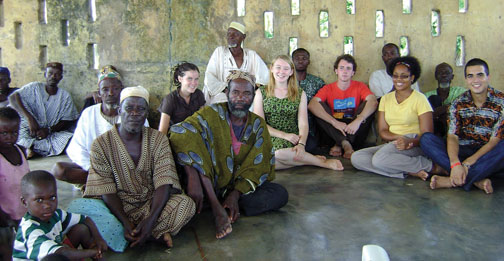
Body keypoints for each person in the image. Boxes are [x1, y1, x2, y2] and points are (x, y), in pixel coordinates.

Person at [72, 86, 195, 251]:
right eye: (129, 108)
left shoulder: (158, 139)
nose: (135, 113)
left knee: (185, 204)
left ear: (146, 113)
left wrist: (151, 220)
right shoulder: (101, 145)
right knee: (81, 210)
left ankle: (139, 234)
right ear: (119, 110)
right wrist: (125, 222)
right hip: (117, 208)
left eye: (141, 109)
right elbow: (106, 191)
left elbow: (164, 182)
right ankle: (150, 235)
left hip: (149, 204)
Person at [169, 70, 288, 239]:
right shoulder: (212, 114)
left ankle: (225, 204)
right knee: (181, 188)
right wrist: (192, 176)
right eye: (235, 92)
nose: (240, 98)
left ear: (253, 96)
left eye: (246, 93)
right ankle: (218, 206)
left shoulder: (257, 124)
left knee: (280, 194)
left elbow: (258, 166)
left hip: (234, 187)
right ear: (227, 93)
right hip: (207, 183)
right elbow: (179, 131)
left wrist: (235, 194)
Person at [52, 66, 147, 188]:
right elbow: (76, 149)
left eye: (115, 88)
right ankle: (103, 183)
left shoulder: (134, 112)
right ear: (99, 92)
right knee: (59, 170)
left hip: (123, 169)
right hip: (93, 166)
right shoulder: (89, 113)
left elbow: (143, 147)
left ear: (122, 90)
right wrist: (93, 168)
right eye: (105, 89)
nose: (111, 93)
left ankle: (99, 185)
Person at [420, 58, 504, 194]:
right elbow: (452, 136)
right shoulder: (458, 103)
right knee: (426, 139)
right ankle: (476, 180)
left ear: (488, 77)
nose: (475, 80)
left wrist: (466, 164)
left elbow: (495, 141)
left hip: (488, 153)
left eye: (480, 75)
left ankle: (452, 180)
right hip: (463, 150)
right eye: (470, 76)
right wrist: (455, 163)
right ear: (466, 79)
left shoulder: (501, 102)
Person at [253, 55, 343, 171]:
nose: (281, 72)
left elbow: (303, 124)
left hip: (293, 137)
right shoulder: (261, 92)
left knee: (277, 156)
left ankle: (313, 160)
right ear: (271, 69)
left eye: (286, 68)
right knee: (265, 162)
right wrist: (284, 135)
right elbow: (260, 124)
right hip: (270, 135)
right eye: (278, 67)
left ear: (291, 72)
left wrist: (301, 144)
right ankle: (314, 161)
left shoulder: (300, 93)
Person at [351, 56, 434, 180]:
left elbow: (428, 134)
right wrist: (398, 138)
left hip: (415, 143)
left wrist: (409, 141)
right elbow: (383, 131)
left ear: (412, 78)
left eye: (404, 76)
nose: (398, 80)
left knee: (379, 160)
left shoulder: (420, 99)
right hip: (394, 142)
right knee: (357, 158)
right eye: (395, 76)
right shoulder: (385, 99)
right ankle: (409, 171)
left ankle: (430, 166)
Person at [12, 170, 107, 261]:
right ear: (24, 202)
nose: (47, 205)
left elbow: (86, 219)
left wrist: (99, 240)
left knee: (81, 229)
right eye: (39, 200)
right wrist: (92, 252)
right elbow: (61, 254)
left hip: (55, 252)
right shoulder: (30, 231)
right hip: (52, 256)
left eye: (52, 197)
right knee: (58, 256)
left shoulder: (56, 214)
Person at [308, 54, 378, 159]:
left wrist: (359, 120)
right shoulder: (328, 88)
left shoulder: (360, 86)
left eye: (348, 68)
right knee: (319, 107)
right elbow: (312, 105)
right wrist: (334, 122)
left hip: (354, 130)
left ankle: (339, 143)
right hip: (333, 130)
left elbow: (373, 102)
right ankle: (346, 144)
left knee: (368, 104)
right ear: (336, 71)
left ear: (353, 72)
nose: (345, 71)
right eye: (341, 68)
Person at [9, 62, 79, 158]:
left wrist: (48, 130)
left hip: (50, 134)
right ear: (45, 75)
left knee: (72, 140)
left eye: (57, 74)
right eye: (50, 73)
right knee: (17, 135)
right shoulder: (34, 87)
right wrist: (30, 119)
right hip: (29, 130)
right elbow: (13, 97)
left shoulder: (65, 96)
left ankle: (30, 150)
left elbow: (67, 120)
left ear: (61, 77)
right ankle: (29, 149)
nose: (53, 77)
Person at [203, 21, 269, 105]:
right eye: (229, 33)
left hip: (246, 97)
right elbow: (210, 76)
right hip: (223, 95)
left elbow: (264, 78)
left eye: (236, 34)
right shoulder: (219, 52)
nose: (231, 36)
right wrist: (227, 90)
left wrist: (247, 91)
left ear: (243, 37)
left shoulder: (251, 55)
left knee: (254, 105)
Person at [0, 108, 29, 260]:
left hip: (24, 211)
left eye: (14, 132)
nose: (10, 137)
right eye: (4, 133)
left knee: (25, 246)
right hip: (4, 217)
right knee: (8, 249)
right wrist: (4, 217)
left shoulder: (21, 151)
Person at [292, 48, 326, 153]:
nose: (300, 61)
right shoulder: (285, 81)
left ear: (309, 62)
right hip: (290, 124)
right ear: (292, 61)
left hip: (312, 127)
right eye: (297, 58)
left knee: (311, 148)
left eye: (304, 58)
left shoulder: (318, 82)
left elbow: (324, 105)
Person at [158, 62, 206, 135]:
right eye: (189, 79)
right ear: (180, 79)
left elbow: (203, 120)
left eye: (196, 79)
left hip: (194, 136)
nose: (193, 83)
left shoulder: (199, 95)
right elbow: (162, 131)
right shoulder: (170, 99)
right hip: (175, 137)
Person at [424, 63, 466, 137]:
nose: (443, 75)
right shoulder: (426, 96)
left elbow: (465, 106)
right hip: (435, 131)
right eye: (440, 73)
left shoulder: (460, 92)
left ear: (452, 76)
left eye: (447, 73)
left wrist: (441, 110)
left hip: (455, 131)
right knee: (434, 99)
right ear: (435, 76)